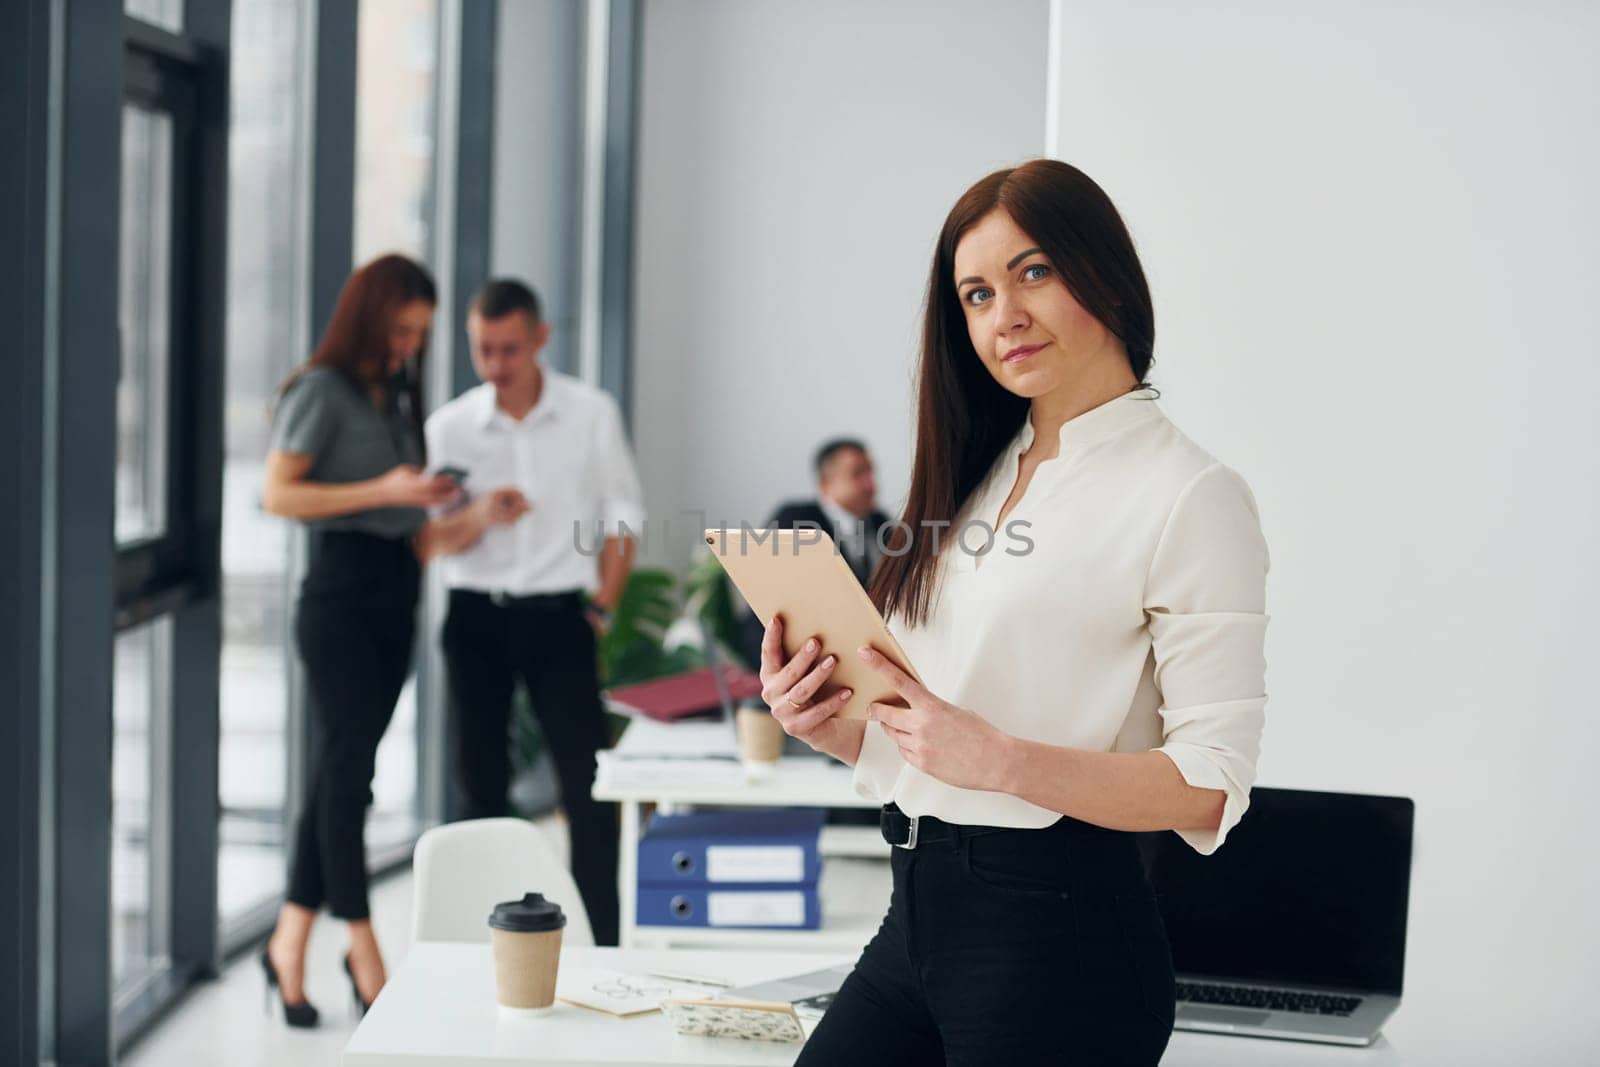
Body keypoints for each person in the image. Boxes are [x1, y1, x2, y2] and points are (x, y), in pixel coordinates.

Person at [767, 160, 1270, 1065]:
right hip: (915, 911)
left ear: (1104, 271)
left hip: (1062, 943)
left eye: (1033, 271)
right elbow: (932, 738)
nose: (1005, 314)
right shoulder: (976, 476)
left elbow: (1209, 781)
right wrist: (834, 726)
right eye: (976, 293)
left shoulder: (1192, 494)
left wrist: (998, 758)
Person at [260, 254, 461, 1026]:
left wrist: (467, 514)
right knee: (350, 778)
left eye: (421, 334)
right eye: (403, 329)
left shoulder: (393, 396)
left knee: (338, 771)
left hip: (394, 596)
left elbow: (410, 532)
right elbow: (278, 492)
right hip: (339, 602)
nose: (411, 345)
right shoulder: (322, 390)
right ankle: (362, 945)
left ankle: (287, 940)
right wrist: (386, 488)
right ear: (370, 317)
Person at [421, 278, 644, 947]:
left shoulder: (590, 413)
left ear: (540, 339)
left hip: (560, 619)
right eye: (483, 349)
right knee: (478, 789)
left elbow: (624, 514)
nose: (495, 365)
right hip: (475, 620)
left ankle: (602, 945)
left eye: (509, 349)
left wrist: (602, 606)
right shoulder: (450, 426)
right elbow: (429, 541)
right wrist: (480, 514)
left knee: (587, 789)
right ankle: (481, 946)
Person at [735, 438, 892, 668]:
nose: (871, 484)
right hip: (784, 655)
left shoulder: (881, 523)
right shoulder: (793, 520)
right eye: (858, 474)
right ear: (826, 484)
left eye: (871, 472)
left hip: (849, 654)